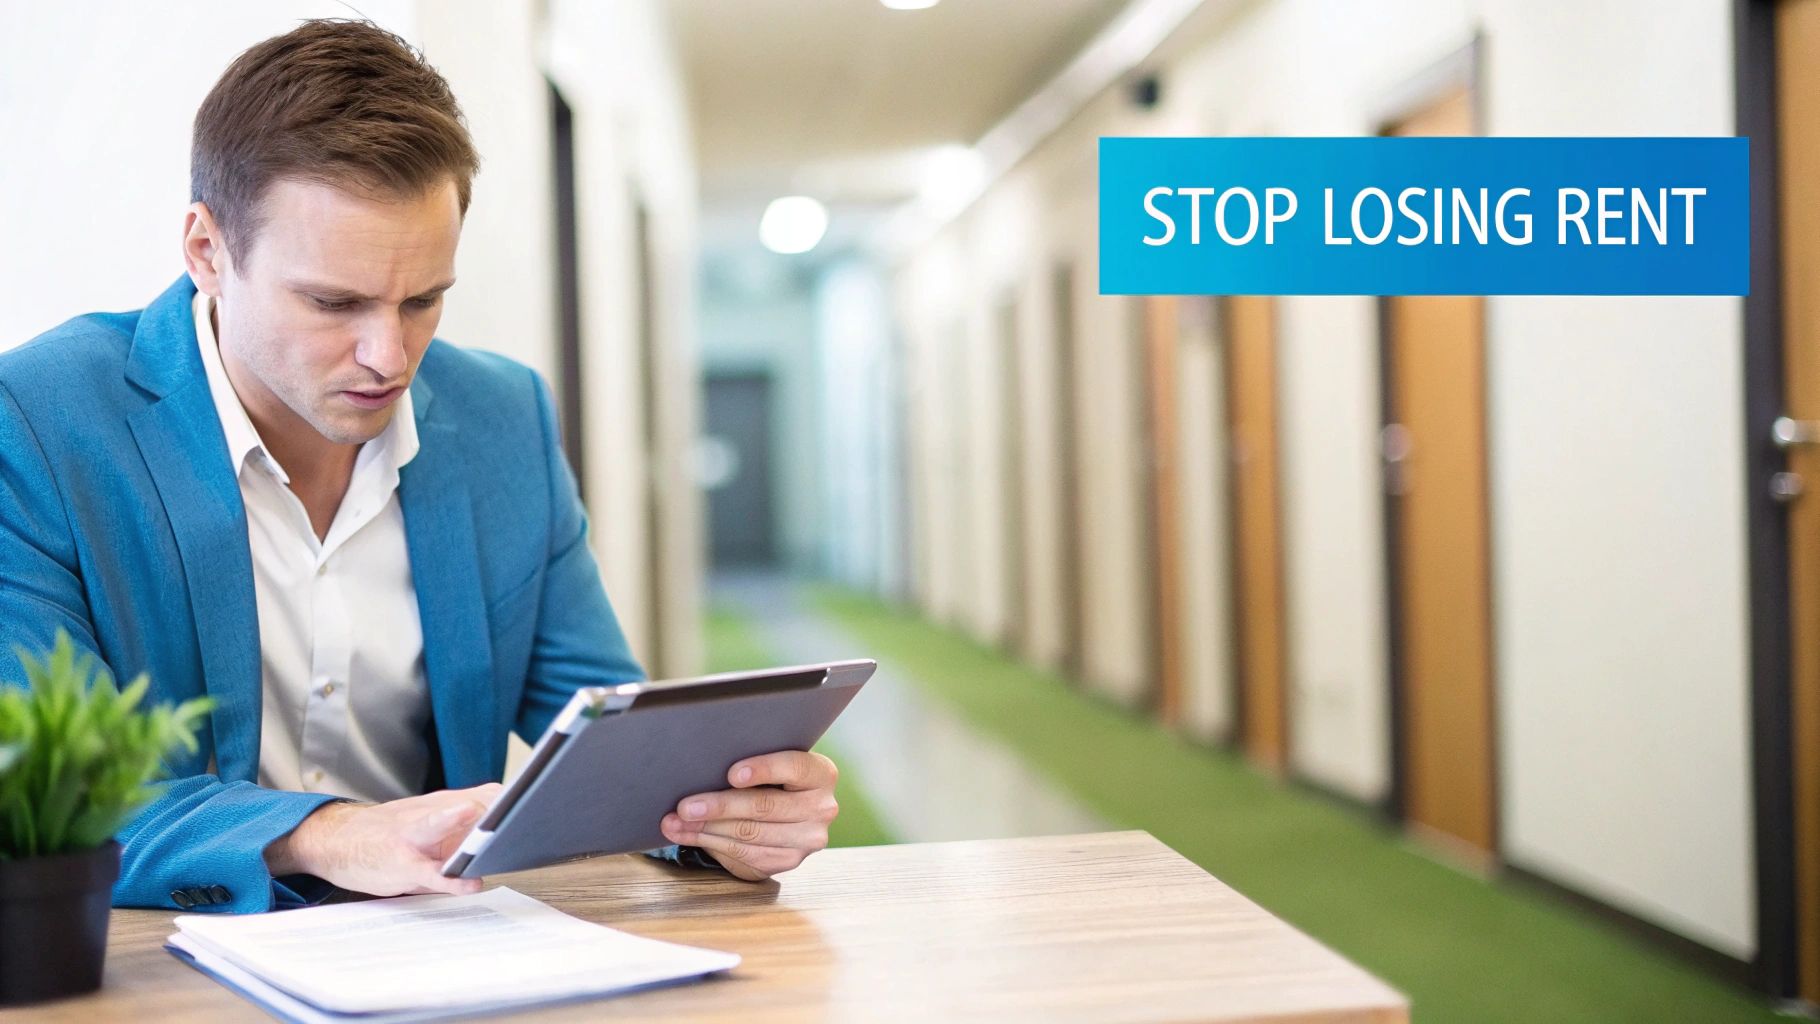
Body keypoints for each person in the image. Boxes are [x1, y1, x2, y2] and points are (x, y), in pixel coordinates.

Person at [0, 18, 840, 913]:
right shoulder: (41, 421)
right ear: (208, 252)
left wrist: (720, 815)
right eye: (335, 303)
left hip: (442, 948)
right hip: (163, 960)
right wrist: (325, 834)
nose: (388, 356)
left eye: (423, 300)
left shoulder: (503, 420)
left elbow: (604, 736)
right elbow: (41, 788)